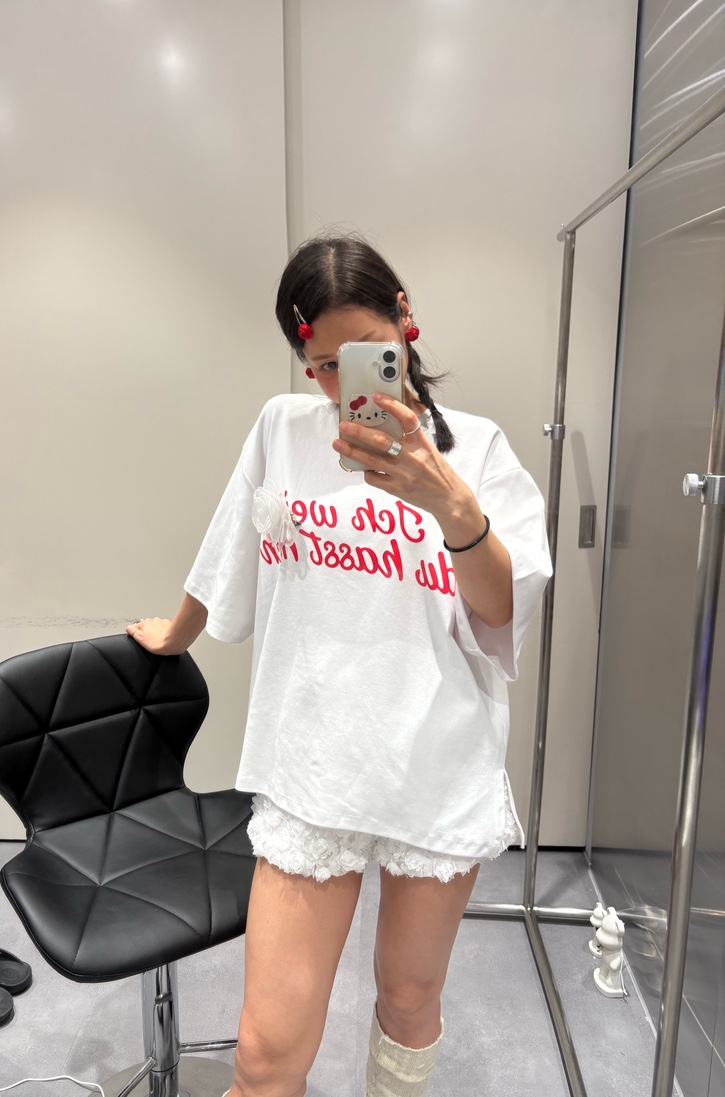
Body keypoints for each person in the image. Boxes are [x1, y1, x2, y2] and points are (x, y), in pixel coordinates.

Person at [127, 235, 552, 1097]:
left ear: (404, 320)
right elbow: (228, 546)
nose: (338, 382)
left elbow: (501, 609)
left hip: (434, 763)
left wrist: (450, 506)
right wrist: (178, 632)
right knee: (263, 1051)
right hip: (311, 762)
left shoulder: (476, 450)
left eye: (362, 354)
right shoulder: (282, 431)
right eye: (321, 364)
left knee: (408, 999)